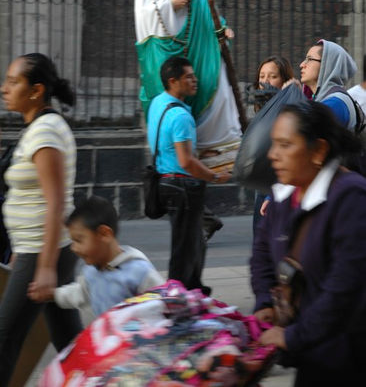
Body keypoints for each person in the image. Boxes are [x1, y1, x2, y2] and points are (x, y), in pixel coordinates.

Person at [135, 0, 240, 239]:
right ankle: (198, 217)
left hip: (198, 44)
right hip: (170, 48)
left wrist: (220, 27)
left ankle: (200, 212)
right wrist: (169, 5)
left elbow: (207, 3)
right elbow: (142, 16)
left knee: (213, 87)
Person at [251, 101, 366, 386]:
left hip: (348, 358)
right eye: (273, 144)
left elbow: (343, 289)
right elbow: (262, 252)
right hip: (313, 355)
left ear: (319, 150)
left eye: (285, 145)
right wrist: (265, 301)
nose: (272, 155)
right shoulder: (283, 195)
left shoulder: (351, 198)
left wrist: (292, 336)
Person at [0, 53, 82, 385]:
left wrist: (45, 266)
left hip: (42, 252)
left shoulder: (45, 131)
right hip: (38, 249)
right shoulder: (39, 126)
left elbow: (55, 203)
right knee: (69, 341)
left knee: (5, 337)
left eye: (12, 81)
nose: (5, 88)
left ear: (36, 90)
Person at [147, 56, 231, 295]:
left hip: (166, 181)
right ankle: (178, 295)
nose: (195, 81)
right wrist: (214, 177)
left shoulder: (157, 104)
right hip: (183, 186)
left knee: (193, 241)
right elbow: (186, 161)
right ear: (173, 81)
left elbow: (170, 145)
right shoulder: (182, 116)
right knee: (184, 248)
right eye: (189, 77)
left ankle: (194, 288)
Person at [29, 195, 164, 323]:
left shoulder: (139, 271)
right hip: (108, 342)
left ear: (104, 234)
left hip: (138, 343)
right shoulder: (91, 272)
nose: (73, 248)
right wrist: (53, 295)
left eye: (79, 240)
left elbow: (165, 300)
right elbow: (79, 293)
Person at [252, 56, 294, 232]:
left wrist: (272, 195)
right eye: (262, 76)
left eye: (272, 76)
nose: (265, 81)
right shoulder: (263, 108)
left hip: (277, 188)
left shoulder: (287, 111)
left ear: (284, 80)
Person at [300, 39, 358, 128]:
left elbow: (309, 137)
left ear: (326, 65)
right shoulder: (321, 99)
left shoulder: (335, 103)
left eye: (309, 59)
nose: (302, 64)